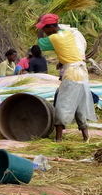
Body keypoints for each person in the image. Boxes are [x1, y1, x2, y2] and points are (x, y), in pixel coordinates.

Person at [37, 13, 96, 142]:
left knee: (61, 105)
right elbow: (69, 52)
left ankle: (58, 140)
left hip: (72, 74)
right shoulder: (68, 34)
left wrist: (39, 30)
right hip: (82, 72)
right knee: (79, 105)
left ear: (51, 27)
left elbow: (40, 44)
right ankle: (86, 137)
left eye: (45, 28)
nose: (45, 31)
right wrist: (62, 62)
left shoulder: (55, 38)